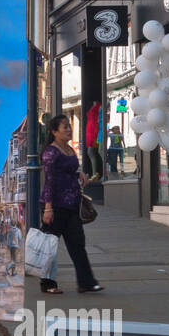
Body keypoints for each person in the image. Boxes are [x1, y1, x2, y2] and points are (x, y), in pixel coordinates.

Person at [40, 113, 102, 295]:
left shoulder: (68, 149)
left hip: (72, 204)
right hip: (55, 206)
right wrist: (48, 208)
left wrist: (79, 174)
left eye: (69, 126)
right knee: (50, 247)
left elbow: (67, 172)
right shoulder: (51, 152)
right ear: (54, 132)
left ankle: (86, 283)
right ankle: (47, 283)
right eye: (65, 127)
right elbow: (50, 180)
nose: (69, 129)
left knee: (77, 244)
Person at [85, 101, 103, 182]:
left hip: (94, 131)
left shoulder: (99, 107)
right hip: (91, 131)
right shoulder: (95, 106)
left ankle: (95, 174)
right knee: (93, 153)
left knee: (92, 152)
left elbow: (99, 120)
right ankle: (95, 174)